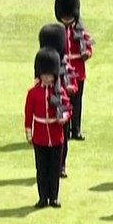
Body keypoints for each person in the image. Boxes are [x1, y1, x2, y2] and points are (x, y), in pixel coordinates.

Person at [26, 47, 70, 209]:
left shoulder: (60, 92)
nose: (46, 78)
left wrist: (63, 118)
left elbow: (67, 109)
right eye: (44, 75)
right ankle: (43, 197)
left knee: (54, 170)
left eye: (49, 75)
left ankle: (54, 197)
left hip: (56, 134)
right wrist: (29, 133)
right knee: (41, 169)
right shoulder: (33, 93)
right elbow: (28, 114)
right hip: (40, 135)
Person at [39, 23, 78, 178]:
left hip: (62, 105)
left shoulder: (65, 64)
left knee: (63, 138)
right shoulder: (42, 63)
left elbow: (73, 83)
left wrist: (70, 90)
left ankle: (61, 165)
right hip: (46, 107)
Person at [54, 0, 93, 141]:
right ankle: (66, 127)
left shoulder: (80, 31)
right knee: (64, 101)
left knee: (77, 102)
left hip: (77, 72)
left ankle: (76, 129)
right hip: (62, 72)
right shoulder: (58, 31)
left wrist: (86, 53)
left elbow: (88, 47)